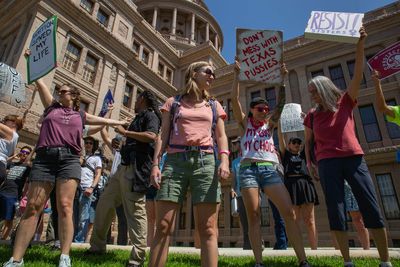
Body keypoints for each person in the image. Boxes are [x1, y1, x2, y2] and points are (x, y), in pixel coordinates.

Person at [3, 56, 127, 267]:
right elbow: (40, 82)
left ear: (74, 97)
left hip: (69, 159)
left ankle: (65, 256)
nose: (60, 92)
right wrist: (31, 60)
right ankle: (16, 259)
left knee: (66, 206)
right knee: (33, 206)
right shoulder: (51, 107)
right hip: (45, 158)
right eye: (59, 90)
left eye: (64, 91)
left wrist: (119, 122)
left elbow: (104, 120)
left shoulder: (80, 114)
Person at [303, 27, 392, 267]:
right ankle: (347, 261)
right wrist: (311, 165)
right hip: (327, 164)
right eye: (310, 93)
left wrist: (360, 44)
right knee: (336, 211)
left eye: (314, 92)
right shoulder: (311, 116)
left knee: (370, 206)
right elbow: (309, 143)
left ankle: (385, 261)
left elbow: (357, 73)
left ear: (323, 89)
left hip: (354, 159)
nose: (312, 97)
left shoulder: (345, 102)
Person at [149, 61, 230, 267]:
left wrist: (225, 161)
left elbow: (221, 136)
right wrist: (156, 165)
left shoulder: (214, 104)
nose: (212, 76)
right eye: (208, 72)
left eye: (214, 74)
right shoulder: (173, 102)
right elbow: (163, 134)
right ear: (194, 73)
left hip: (206, 161)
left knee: (208, 228)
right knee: (164, 225)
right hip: (175, 162)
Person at [231, 61, 310, 267]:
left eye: (266, 108)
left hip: (269, 170)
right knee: (254, 215)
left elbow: (281, 104)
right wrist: (236, 76)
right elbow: (234, 100)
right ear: (251, 110)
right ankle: (259, 262)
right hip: (248, 171)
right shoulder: (244, 124)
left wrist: (282, 79)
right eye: (260, 108)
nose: (264, 111)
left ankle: (303, 260)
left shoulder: (270, 125)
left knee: (289, 212)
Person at [89, 90, 161, 267]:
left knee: (136, 213)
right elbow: (130, 140)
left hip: (135, 170)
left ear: (142, 99)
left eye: (136, 99)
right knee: (104, 205)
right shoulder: (138, 118)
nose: (134, 102)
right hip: (122, 169)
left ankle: (137, 258)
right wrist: (119, 142)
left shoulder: (151, 116)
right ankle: (97, 247)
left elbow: (151, 136)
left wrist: (125, 132)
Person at [277, 130, 319, 250]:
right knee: (294, 220)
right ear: (289, 145)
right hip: (291, 187)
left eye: (298, 143)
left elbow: (309, 138)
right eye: (294, 142)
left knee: (310, 220)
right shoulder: (286, 155)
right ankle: (297, 250)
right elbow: (281, 139)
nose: (297, 144)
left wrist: (307, 124)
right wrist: (279, 122)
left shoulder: (303, 154)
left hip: (306, 185)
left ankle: (314, 249)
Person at [99, 128, 128, 245]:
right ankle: (105, 242)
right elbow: (104, 135)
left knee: (123, 218)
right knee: (107, 215)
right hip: (112, 184)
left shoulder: (130, 152)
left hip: (124, 186)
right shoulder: (117, 151)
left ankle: (122, 244)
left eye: (119, 140)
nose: (117, 142)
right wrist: (108, 117)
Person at [73, 136, 102, 243]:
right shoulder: (79, 157)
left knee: (83, 218)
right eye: (86, 143)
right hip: (75, 188)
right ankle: (70, 240)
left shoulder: (96, 159)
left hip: (86, 188)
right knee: (73, 216)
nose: (88, 145)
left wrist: (92, 187)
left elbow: (98, 174)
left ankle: (78, 241)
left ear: (93, 146)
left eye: (90, 143)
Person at [0, 146, 32, 240]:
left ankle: (2, 241)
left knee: (8, 219)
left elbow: (27, 183)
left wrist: (23, 195)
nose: (24, 154)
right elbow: (3, 162)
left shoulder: (28, 168)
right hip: (2, 191)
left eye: (27, 153)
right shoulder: (12, 164)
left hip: (13, 195)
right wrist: (14, 156)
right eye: (23, 151)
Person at [230, 136, 251, 250]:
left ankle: (257, 241)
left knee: (253, 217)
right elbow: (234, 178)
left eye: (235, 143)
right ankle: (247, 244)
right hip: (240, 193)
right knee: (244, 219)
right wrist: (232, 189)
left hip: (251, 191)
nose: (233, 145)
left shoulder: (249, 157)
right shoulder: (234, 162)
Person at [344, 181, 370, 250]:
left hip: (348, 185)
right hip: (335, 183)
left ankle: (366, 251)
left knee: (358, 220)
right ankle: (338, 254)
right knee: (336, 221)